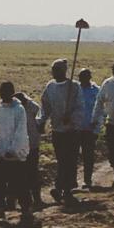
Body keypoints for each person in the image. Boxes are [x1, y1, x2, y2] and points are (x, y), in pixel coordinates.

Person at [38, 59, 85, 206]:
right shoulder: (50, 87)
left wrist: (70, 118)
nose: (54, 72)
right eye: (53, 69)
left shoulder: (74, 87)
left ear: (64, 71)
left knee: (69, 160)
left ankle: (62, 188)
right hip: (57, 130)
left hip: (71, 131)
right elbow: (45, 106)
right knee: (62, 160)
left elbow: (80, 107)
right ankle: (64, 188)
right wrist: (41, 121)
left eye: (57, 69)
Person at [0, 82, 32, 224]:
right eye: (1, 92)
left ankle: (26, 208)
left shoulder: (19, 109)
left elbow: (20, 132)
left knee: (20, 182)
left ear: (12, 93)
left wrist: (13, 150)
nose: (3, 94)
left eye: (6, 92)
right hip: (1, 152)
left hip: (15, 155)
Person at [13, 91, 43, 209]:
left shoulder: (33, 107)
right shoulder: (14, 108)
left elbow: (41, 125)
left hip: (32, 145)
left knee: (32, 172)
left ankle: (37, 198)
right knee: (20, 174)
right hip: (19, 146)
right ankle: (17, 200)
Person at [77, 68, 100, 188]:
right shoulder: (75, 90)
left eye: (86, 76)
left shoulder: (96, 91)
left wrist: (96, 128)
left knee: (88, 156)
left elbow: (101, 110)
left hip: (89, 129)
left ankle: (87, 180)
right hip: (75, 129)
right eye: (81, 77)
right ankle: (72, 181)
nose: (83, 79)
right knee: (73, 156)